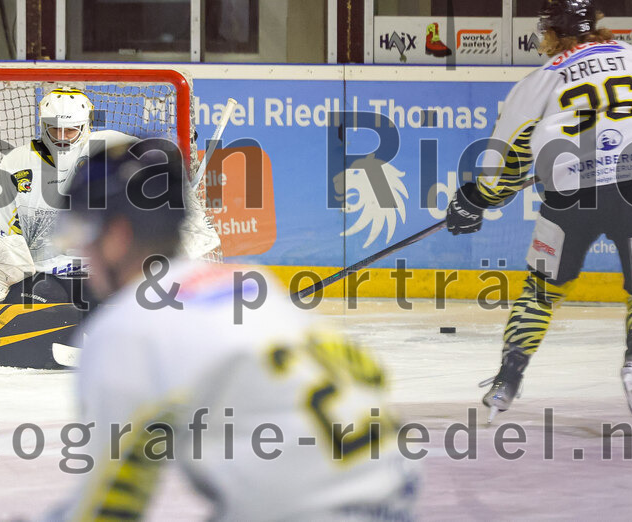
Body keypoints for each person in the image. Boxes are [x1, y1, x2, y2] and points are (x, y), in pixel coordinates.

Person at [49, 139, 419, 520]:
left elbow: (109, 507)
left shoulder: (127, 328)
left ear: (117, 236)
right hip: (397, 501)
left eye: (82, 231)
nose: (82, 251)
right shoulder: (252, 281)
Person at [446, 0, 632, 430]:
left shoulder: (538, 82)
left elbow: (504, 166)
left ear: (552, 34)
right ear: (596, 23)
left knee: (541, 289)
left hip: (571, 186)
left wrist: (478, 200)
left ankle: (507, 379)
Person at [0, 87, 221, 310]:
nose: (61, 137)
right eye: (53, 129)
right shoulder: (15, 161)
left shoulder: (106, 147)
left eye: (70, 130)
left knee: (132, 297)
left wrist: (176, 156)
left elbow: (154, 160)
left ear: (86, 126)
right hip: (43, 276)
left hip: (98, 272)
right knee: (26, 297)